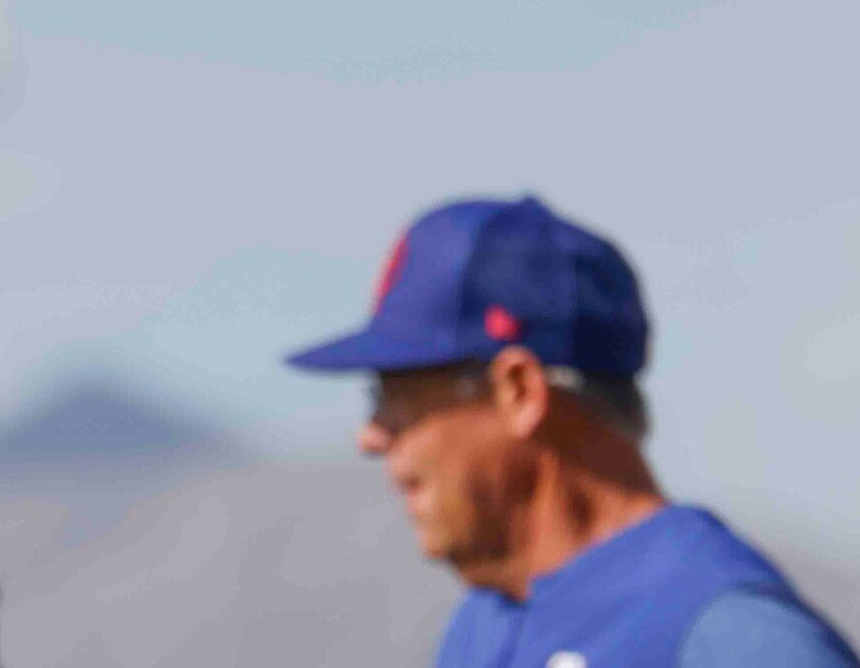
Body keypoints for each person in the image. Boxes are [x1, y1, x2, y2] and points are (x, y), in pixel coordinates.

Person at [288, 194, 858, 668]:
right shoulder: (484, 624)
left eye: (395, 397)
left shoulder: (729, 636)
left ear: (519, 392)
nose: (371, 435)